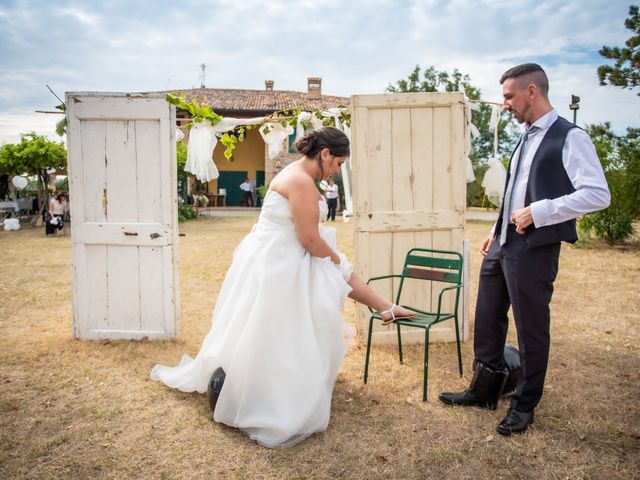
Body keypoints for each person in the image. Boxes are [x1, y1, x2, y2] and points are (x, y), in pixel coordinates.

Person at [150, 127, 415, 448]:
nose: (337, 170)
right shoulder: (302, 181)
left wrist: (337, 262)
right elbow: (310, 239)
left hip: (275, 252)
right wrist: (335, 259)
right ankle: (269, 391)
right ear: (326, 154)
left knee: (287, 315)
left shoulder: (298, 173)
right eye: (339, 163)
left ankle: (386, 307)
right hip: (282, 260)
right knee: (283, 324)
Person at [439, 64, 610, 436]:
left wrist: (542, 211)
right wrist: (496, 229)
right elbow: (515, 190)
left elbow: (598, 193)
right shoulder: (525, 138)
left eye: (508, 96)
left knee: (531, 329)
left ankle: (523, 405)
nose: (504, 105)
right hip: (503, 243)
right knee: (487, 318)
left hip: (535, 248)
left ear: (532, 91)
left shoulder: (570, 136)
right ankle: (483, 391)